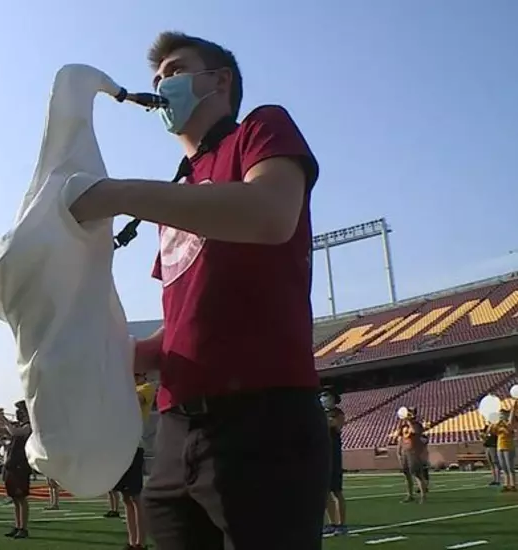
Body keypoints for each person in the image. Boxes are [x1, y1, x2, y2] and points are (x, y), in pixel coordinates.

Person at [70, 32, 328, 549]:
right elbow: (183, 326)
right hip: (174, 431)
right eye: (156, 77)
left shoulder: (261, 126)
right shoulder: (180, 194)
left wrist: (121, 194)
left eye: (174, 69)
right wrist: (114, 353)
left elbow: (271, 214)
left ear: (220, 81)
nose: (161, 83)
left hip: (262, 420)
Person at [110, 373, 156, 550]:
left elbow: (133, 401)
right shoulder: (127, 390)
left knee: (136, 497)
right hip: (121, 447)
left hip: (134, 446)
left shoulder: (146, 388)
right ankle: (132, 541)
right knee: (126, 498)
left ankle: (141, 543)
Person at [0, 402, 32, 539]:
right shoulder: (19, 425)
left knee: (21, 497)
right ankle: (17, 526)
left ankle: (24, 528)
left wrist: (4, 418)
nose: (18, 413)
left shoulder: (29, 426)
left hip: (20, 466)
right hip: (12, 465)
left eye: (21, 410)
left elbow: (16, 433)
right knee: (15, 498)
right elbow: (3, 431)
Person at [321, 388, 348, 535]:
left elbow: (335, 425)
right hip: (322, 454)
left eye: (326, 395)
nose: (323, 398)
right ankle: (331, 522)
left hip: (334, 455)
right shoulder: (321, 414)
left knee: (337, 491)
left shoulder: (338, 413)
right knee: (325, 492)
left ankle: (342, 524)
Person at [397, 407, 429, 502]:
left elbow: (415, 431)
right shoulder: (403, 426)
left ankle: (423, 496)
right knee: (406, 475)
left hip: (413, 452)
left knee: (417, 474)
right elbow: (400, 437)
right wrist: (399, 451)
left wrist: (409, 421)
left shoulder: (417, 425)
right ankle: (409, 495)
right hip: (404, 452)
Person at [492, 407, 516, 492]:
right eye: (500, 415)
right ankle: (506, 484)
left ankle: (513, 485)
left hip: (508, 447)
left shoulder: (510, 423)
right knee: (503, 467)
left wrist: (503, 426)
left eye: (503, 414)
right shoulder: (498, 424)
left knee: (510, 467)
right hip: (500, 446)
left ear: (507, 415)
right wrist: (494, 425)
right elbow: (493, 432)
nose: (501, 416)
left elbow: (509, 432)